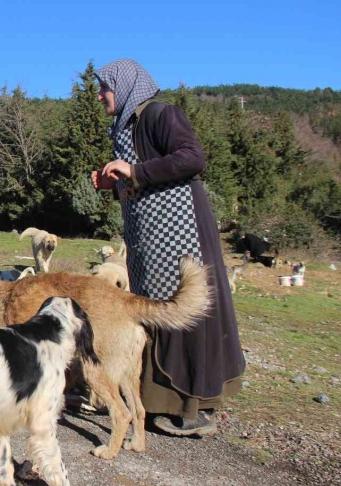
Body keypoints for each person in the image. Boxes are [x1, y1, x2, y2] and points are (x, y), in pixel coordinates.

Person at [90, 59, 245, 436]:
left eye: (105, 88)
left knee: (185, 305)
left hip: (181, 231)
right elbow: (143, 173)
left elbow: (192, 158)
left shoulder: (160, 114)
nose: (99, 95)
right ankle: (154, 400)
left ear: (125, 86)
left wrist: (134, 171)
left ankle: (195, 407)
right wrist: (116, 183)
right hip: (150, 236)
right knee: (152, 308)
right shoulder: (125, 127)